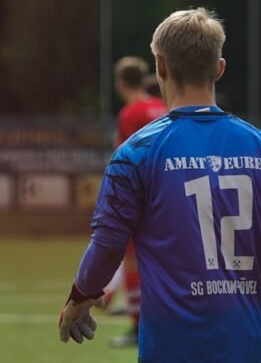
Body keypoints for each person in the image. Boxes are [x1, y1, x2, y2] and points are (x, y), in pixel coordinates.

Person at [58, 8, 261, 363]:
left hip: (169, 350)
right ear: (219, 68)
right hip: (245, 346)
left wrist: (79, 298)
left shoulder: (136, 153)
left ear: (160, 66)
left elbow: (108, 246)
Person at [104, 56, 167, 347]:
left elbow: (127, 159)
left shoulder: (130, 113)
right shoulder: (161, 107)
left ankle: (138, 326)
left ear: (120, 83)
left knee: (132, 259)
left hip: (141, 195)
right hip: (168, 193)